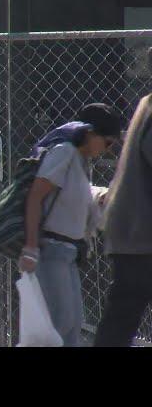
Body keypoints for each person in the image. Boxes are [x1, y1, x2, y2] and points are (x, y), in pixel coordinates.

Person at [18, 103, 122, 347]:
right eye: (107, 143)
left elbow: (76, 201)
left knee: (72, 326)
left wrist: (100, 198)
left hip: (68, 252)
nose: (107, 150)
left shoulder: (81, 161)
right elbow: (36, 196)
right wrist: (31, 247)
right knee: (61, 325)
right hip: (51, 248)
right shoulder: (64, 152)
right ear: (89, 133)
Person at [93, 95, 152, 346]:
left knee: (121, 315)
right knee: (121, 316)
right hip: (140, 232)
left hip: (131, 229)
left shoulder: (147, 103)